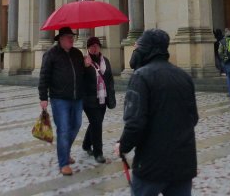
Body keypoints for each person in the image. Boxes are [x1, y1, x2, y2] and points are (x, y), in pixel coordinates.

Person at [115, 29, 198, 195]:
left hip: (151, 164)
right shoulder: (184, 76)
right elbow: (193, 118)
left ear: (146, 49)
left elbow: (135, 123)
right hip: (182, 162)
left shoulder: (141, 77)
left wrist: (123, 145)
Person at [38, 26, 89, 176]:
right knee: (64, 129)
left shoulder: (77, 53)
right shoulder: (51, 54)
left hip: (77, 97)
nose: (71, 39)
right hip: (59, 98)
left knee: (76, 125)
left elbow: (82, 75)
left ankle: (65, 151)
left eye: (72, 37)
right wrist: (43, 97)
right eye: (69, 37)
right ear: (60, 39)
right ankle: (63, 163)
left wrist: (86, 66)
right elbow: (44, 76)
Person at [81, 36, 116, 164]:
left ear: (100, 47)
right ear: (88, 48)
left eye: (96, 46)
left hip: (103, 98)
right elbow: (78, 79)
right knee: (97, 124)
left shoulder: (105, 60)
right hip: (89, 99)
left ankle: (86, 144)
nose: (94, 48)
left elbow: (109, 79)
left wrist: (111, 95)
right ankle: (98, 153)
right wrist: (84, 67)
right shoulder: (84, 61)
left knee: (95, 122)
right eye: (92, 46)